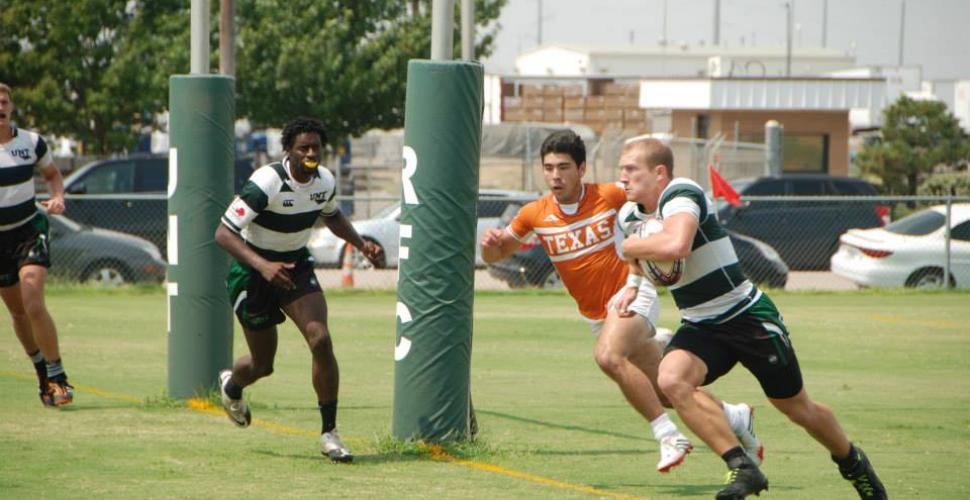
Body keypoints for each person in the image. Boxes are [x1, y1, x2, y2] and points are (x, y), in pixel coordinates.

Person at [617, 137, 886, 499]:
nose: (623, 178)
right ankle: (742, 468)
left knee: (795, 407)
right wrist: (633, 284)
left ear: (659, 172)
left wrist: (630, 247)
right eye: (621, 170)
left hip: (746, 316)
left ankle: (853, 463)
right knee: (671, 380)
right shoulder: (630, 214)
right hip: (701, 324)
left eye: (631, 170)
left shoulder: (681, 193)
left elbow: (675, 245)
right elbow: (642, 255)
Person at [480, 130, 762, 473]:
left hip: (631, 294)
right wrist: (490, 243)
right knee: (662, 391)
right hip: (597, 315)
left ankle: (668, 436)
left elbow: (656, 207)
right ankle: (735, 416)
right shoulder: (534, 214)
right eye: (549, 167)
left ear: (582, 168)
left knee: (608, 356)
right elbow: (498, 254)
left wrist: (662, 237)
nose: (556, 175)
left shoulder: (611, 195)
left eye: (564, 167)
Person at [214, 117, 382, 463]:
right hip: (252, 273)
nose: (310, 153)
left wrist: (361, 244)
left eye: (316, 147)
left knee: (320, 339)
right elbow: (224, 233)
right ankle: (232, 387)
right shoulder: (266, 182)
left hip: (295, 267)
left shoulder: (324, 181)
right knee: (263, 365)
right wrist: (263, 266)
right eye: (303, 147)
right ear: (288, 150)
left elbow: (331, 215)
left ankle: (329, 433)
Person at [0, 82, 74, 407]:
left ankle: (58, 377)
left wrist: (58, 197)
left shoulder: (31, 142)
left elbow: (53, 175)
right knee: (17, 313)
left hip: (28, 230)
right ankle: (42, 373)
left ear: (11, 107)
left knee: (32, 301)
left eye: (3, 102)